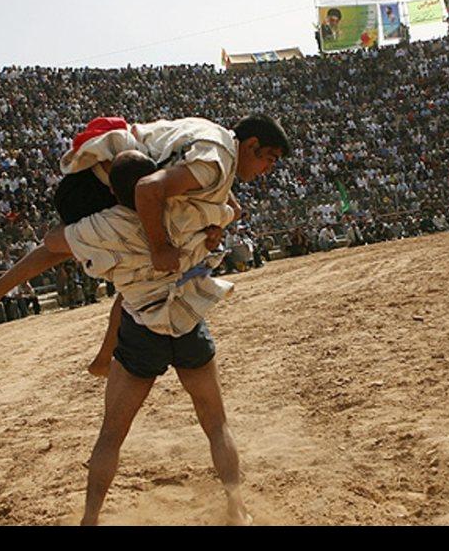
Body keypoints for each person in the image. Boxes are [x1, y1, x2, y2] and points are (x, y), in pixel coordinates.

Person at [43, 149, 283, 526]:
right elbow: (231, 208)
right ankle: (236, 508)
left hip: (141, 330)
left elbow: (52, 240)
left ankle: (90, 520)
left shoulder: (104, 226)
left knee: (111, 435)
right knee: (216, 423)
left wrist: (93, 214)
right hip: (187, 321)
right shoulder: (184, 211)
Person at [0, 114, 286, 377]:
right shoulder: (217, 159)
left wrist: (218, 218)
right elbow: (151, 188)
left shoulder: (212, 133)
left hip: (102, 180)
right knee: (116, 258)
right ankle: (102, 353)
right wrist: (161, 247)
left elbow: (215, 190)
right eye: (268, 160)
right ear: (252, 146)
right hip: (102, 187)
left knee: (124, 265)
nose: (267, 171)